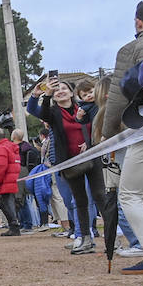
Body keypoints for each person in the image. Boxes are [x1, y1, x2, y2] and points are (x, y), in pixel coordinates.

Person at [104, 0, 143, 273]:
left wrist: (106, 139)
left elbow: (116, 100)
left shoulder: (129, 50)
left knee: (129, 194)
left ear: (138, 22)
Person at [26, 77, 101, 255]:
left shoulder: (86, 107)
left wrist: (90, 143)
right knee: (75, 201)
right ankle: (82, 236)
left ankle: (100, 236)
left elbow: (99, 125)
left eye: (64, 88)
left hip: (91, 158)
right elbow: (34, 110)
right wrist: (38, 95)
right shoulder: (52, 113)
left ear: (71, 92)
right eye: (56, 89)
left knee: (98, 197)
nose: (60, 91)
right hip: (67, 163)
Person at [0, 127, 22, 235]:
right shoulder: (11, 147)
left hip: (4, 180)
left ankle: (13, 227)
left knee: (4, 203)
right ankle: (14, 225)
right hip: (11, 178)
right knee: (9, 203)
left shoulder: (1, 148)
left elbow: (0, 167)